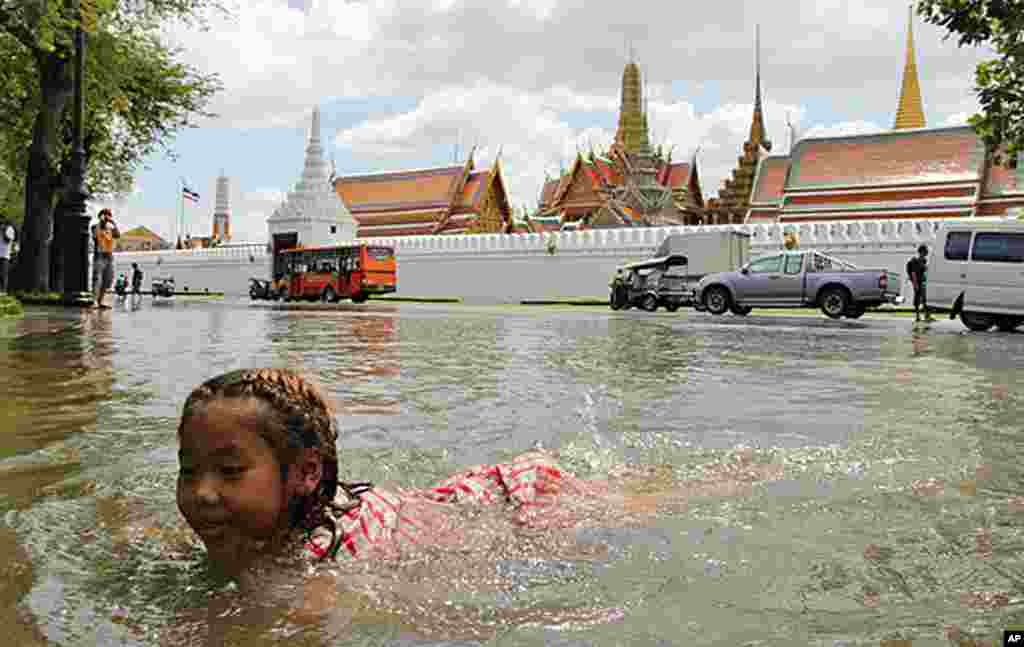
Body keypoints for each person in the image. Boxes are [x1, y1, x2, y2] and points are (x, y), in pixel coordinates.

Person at [176, 368, 783, 575]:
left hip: (517, 509)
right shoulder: (272, 528)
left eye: (229, 471)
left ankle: (736, 475)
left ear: (306, 474)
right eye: (188, 470)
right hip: (451, 501)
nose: (202, 494)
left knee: (644, 502)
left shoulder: (321, 570)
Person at [91, 208, 120, 309]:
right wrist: (101, 222)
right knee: (97, 279)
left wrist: (113, 223)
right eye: (105, 215)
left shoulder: (110, 228)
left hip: (109, 256)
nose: (107, 217)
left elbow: (117, 235)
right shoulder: (95, 227)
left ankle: (100, 301)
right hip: (99, 256)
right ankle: (94, 301)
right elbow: (95, 236)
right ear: (100, 216)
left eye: (109, 215)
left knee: (108, 280)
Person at [906, 244, 934, 322]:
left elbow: (924, 271)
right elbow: (913, 273)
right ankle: (918, 316)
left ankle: (927, 316)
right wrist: (915, 285)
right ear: (921, 252)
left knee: (925, 299)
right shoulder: (915, 261)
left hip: (923, 282)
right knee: (918, 299)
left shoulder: (923, 261)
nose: (927, 253)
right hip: (917, 282)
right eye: (925, 251)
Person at [0, 218, 14, 293]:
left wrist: (3, 231)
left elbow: (8, 240)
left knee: (3, 274)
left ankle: (3, 291)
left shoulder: (10, 229)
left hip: (4, 256)